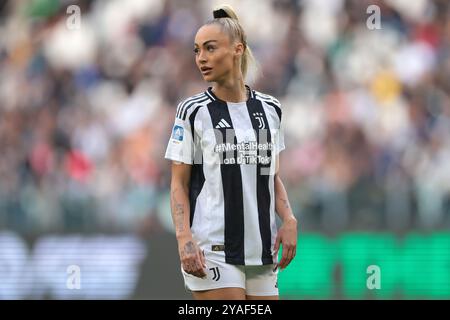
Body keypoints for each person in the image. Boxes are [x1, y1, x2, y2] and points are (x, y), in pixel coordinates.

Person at [164, 4, 297, 300]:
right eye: (197, 51)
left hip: (262, 250)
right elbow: (178, 183)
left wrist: (288, 219)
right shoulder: (192, 111)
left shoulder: (271, 108)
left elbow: (270, 175)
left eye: (210, 49)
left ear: (238, 49)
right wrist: (184, 237)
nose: (201, 58)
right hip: (213, 249)